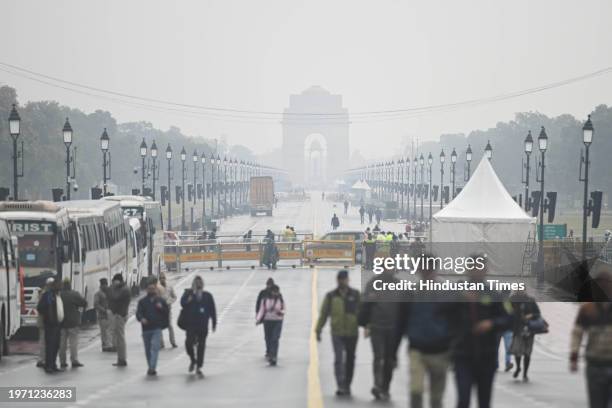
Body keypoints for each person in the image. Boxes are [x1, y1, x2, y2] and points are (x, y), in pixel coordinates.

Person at [443, 257, 512, 408]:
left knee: (484, 402)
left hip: (486, 356)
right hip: (462, 356)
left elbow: (509, 319)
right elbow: (443, 311)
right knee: (463, 399)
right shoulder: (457, 291)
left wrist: (492, 323)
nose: (476, 271)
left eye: (479, 268)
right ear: (467, 269)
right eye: (472, 267)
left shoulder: (494, 295)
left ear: (486, 270)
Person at [404, 260, 452, 408]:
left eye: (429, 270)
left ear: (434, 270)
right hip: (417, 349)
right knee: (416, 390)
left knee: (436, 398)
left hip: (440, 351)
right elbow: (402, 320)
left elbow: (455, 322)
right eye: (423, 270)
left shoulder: (446, 293)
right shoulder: (412, 292)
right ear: (419, 270)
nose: (426, 274)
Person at [359, 269, 403, 401]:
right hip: (377, 327)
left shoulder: (399, 285)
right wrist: (366, 324)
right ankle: (378, 385)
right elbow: (365, 304)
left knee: (389, 359)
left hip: (392, 328)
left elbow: (404, 308)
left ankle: (385, 387)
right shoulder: (373, 283)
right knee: (378, 357)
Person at [315, 270, 361, 397]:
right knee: (338, 359)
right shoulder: (331, 296)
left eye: (345, 279)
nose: (343, 281)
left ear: (348, 280)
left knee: (350, 360)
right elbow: (323, 314)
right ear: (338, 280)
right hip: (337, 333)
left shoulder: (355, 294)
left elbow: (363, 312)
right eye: (341, 279)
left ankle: (347, 384)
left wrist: (368, 326)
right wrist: (318, 330)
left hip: (352, 332)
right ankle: (341, 385)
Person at [570, 301, 612, 408]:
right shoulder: (588, 309)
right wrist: (574, 357)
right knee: (597, 403)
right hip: (595, 365)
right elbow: (577, 333)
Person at [180, 276, 217, 376]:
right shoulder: (188, 293)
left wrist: (214, 323)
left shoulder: (207, 296)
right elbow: (182, 303)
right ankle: (193, 359)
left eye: (200, 283)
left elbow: (213, 310)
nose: (199, 284)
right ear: (193, 284)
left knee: (201, 346)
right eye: (197, 283)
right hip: (191, 324)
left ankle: (199, 366)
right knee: (188, 343)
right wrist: (189, 299)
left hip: (202, 325)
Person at [136, 279, 169, 376]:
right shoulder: (142, 302)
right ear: (146, 290)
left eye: (153, 289)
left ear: (155, 289)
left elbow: (166, 312)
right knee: (147, 349)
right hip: (146, 329)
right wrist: (141, 319)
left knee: (155, 347)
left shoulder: (160, 301)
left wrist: (161, 308)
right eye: (149, 289)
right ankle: (150, 365)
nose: (151, 290)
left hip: (156, 328)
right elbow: (139, 313)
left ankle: (152, 367)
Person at [509, 290, 540, 382]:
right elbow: (509, 310)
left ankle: (525, 374)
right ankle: (518, 367)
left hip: (529, 329)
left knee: (527, 353)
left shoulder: (530, 300)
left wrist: (530, 315)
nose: (520, 291)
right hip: (518, 329)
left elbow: (537, 313)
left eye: (522, 290)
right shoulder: (513, 300)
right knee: (517, 351)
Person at [59, 278, 87, 368]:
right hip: (73, 322)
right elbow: (84, 303)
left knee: (62, 343)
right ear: (70, 285)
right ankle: (74, 360)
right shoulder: (74, 294)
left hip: (61, 322)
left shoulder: (59, 295)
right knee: (73, 342)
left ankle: (62, 361)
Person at [37, 278, 63, 373]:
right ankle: (48, 366)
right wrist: (48, 317)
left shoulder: (57, 295)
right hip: (50, 324)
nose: (60, 287)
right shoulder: (48, 295)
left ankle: (53, 364)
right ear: (53, 286)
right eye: (59, 285)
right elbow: (40, 307)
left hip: (57, 324)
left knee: (56, 345)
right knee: (50, 346)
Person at [256, 284, 285, 366]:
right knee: (268, 338)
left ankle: (274, 356)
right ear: (271, 292)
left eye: (277, 291)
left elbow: (283, 309)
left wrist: (281, 312)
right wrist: (258, 319)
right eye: (275, 291)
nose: (276, 293)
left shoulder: (280, 299)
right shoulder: (265, 300)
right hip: (267, 320)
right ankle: (269, 353)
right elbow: (262, 309)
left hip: (277, 321)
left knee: (275, 338)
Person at [108, 273, 131, 367]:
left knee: (120, 338)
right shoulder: (123, 288)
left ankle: (122, 359)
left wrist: (113, 289)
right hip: (120, 314)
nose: (113, 283)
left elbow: (115, 297)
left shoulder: (124, 290)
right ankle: (121, 358)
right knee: (119, 337)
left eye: (114, 281)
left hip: (120, 315)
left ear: (118, 281)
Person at [36, 278, 54, 368]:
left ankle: (43, 359)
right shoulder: (46, 294)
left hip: (43, 321)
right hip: (45, 321)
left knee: (44, 341)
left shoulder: (43, 293)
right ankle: (42, 359)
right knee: (44, 341)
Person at [158, 273, 178, 348]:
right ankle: (161, 343)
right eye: (160, 278)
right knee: (159, 327)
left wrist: (169, 301)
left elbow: (175, 297)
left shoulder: (169, 286)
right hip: (159, 310)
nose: (162, 279)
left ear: (165, 278)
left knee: (170, 325)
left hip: (168, 309)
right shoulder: (157, 287)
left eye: (163, 277)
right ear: (159, 279)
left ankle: (173, 342)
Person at [94, 278, 113, 352]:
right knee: (104, 331)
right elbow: (96, 304)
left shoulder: (110, 292)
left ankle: (109, 345)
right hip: (103, 316)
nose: (105, 286)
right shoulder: (98, 294)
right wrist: (104, 310)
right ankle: (105, 345)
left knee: (109, 331)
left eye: (106, 284)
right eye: (104, 285)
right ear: (101, 285)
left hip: (110, 315)